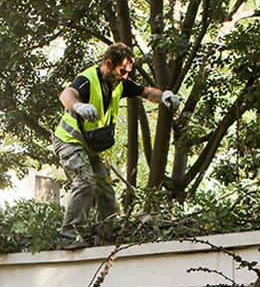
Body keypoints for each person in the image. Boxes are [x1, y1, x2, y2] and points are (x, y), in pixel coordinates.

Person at [53, 42, 180, 248]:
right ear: (108, 64)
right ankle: (67, 236)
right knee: (85, 183)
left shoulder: (121, 83)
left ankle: (103, 239)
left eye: (127, 72)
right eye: (121, 71)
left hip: (90, 148)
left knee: (106, 192)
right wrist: (78, 106)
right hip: (69, 141)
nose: (124, 76)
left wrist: (165, 95)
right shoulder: (87, 79)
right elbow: (66, 95)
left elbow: (147, 93)